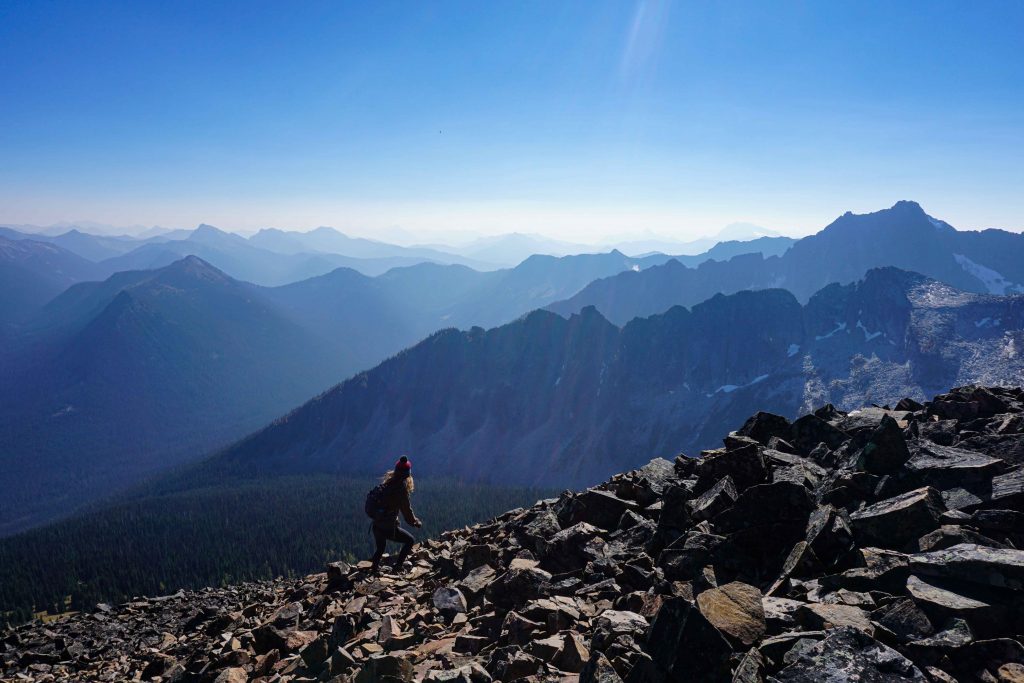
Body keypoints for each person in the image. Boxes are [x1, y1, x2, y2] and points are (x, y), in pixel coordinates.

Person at [370, 456, 422, 575]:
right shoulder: (400, 491)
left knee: (380, 549)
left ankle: (374, 570)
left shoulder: (387, 483)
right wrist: (415, 522)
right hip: (388, 527)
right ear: (407, 474)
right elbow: (407, 512)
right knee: (410, 541)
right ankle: (398, 566)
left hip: (376, 524)